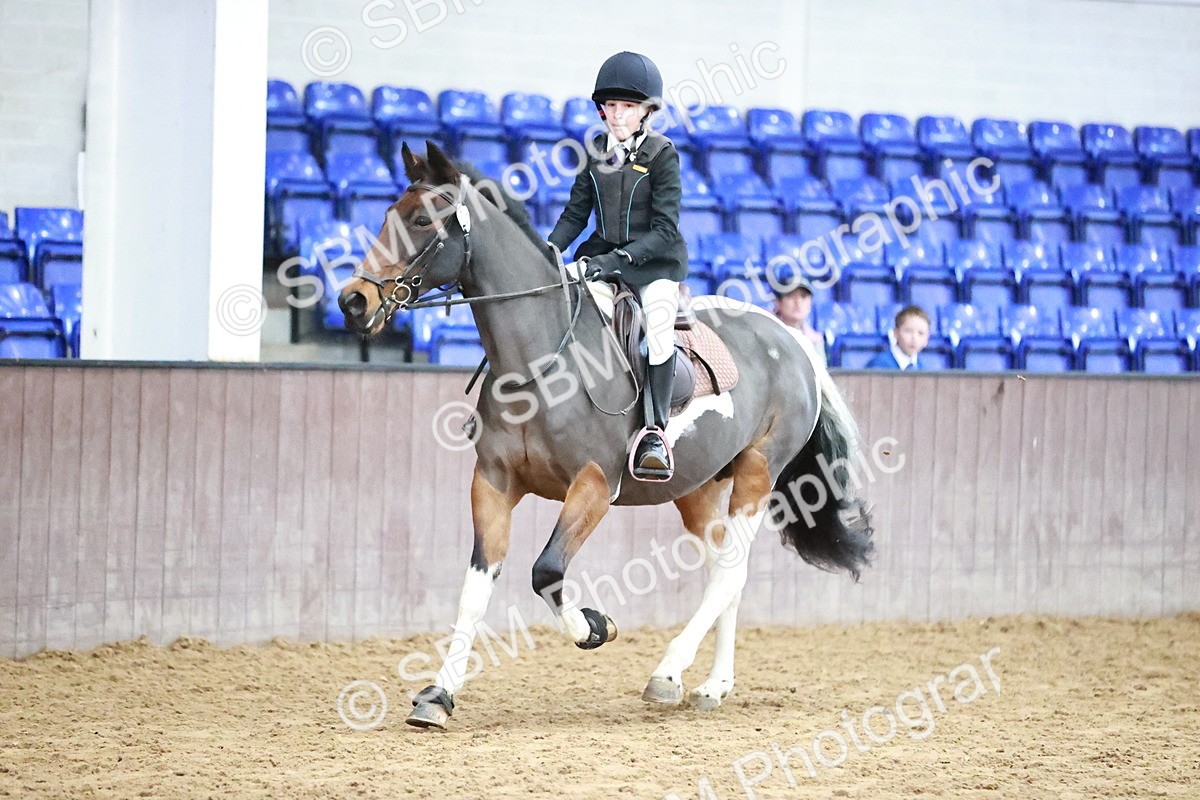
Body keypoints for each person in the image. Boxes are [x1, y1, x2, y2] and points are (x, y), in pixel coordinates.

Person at [547, 51, 689, 482]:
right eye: (610, 106)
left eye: (627, 106)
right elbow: (576, 214)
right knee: (562, 300)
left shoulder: (662, 154)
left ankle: (654, 432)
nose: (617, 114)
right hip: (602, 256)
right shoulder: (594, 151)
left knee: (660, 328)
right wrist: (549, 250)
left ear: (646, 111)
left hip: (654, 264)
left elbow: (665, 229)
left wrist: (618, 260)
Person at [772, 276, 826, 366]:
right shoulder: (766, 332)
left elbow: (821, 374)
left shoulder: (816, 340)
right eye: (790, 296)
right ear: (778, 302)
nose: (798, 302)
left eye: (803, 297)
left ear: (810, 303)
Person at [866, 305, 931, 370]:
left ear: (927, 339)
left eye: (921, 333)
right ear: (895, 333)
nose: (914, 338)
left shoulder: (922, 368)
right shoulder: (878, 365)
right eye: (908, 331)